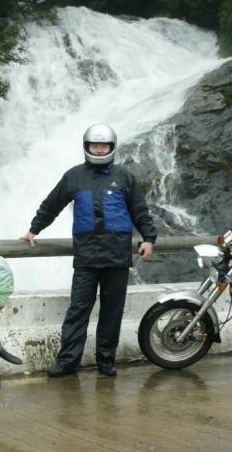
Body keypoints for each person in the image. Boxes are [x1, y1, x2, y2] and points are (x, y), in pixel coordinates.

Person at [21, 123, 158, 377]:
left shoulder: (124, 177)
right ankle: (67, 362)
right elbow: (52, 204)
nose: (98, 149)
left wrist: (149, 238)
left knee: (112, 310)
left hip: (117, 257)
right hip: (86, 256)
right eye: (94, 145)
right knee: (78, 310)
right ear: (86, 147)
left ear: (111, 147)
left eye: (103, 145)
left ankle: (106, 361)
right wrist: (33, 230)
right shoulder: (74, 176)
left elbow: (140, 211)